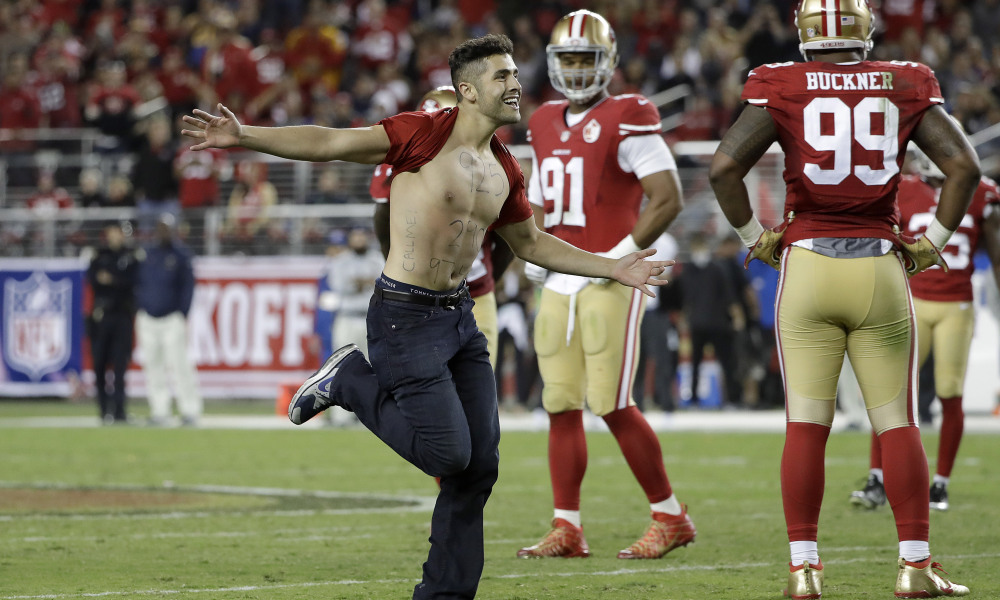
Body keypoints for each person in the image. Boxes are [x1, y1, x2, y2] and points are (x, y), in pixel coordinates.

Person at [182, 34, 671, 600]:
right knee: (448, 454)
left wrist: (613, 266)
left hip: (459, 318)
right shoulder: (421, 133)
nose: (516, 85)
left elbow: (532, 243)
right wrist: (246, 136)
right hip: (403, 317)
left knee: (478, 468)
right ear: (466, 91)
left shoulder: (505, 167)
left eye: (515, 75)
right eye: (501, 77)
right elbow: (329, 142)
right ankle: (347, 378)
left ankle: (444, 595)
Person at [708, 1, 980, 597]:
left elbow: (725, 168)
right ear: (866, 31)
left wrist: (757, 240)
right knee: (897, 422)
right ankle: (914, 566)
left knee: (806, 426)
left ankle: (804, 570)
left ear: (805, 35)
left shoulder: (779, 81)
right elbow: (964, 167)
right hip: (880, 267)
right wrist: (931, 244)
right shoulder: (902, 80)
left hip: (806, 266)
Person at [517, 10, 691, 561]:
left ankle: (670, 517)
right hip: (560, 278)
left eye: (584, 58)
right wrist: (532, 244)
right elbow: (541, 198)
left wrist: (617, 258)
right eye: (566, 58)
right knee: (560, 401)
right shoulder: (543, 119)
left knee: (610, 401)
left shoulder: (629, 111)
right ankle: (567, 526)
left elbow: (667, 197)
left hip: (610, 277)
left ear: (607, 62)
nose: (573, 68)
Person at [850, 150, 1000, 512]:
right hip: (911, 300)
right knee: (890, 390)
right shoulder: (904, 189)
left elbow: (996, 255)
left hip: (957, 305)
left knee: (950, 391)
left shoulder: (983, 193)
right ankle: (878, 478)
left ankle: (941, 484)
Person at [372, 86, 515, 368]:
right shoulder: (400, 161)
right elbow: (381, 218)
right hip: (419, 295)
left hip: (473, 292)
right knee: (419, 391)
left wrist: (488, 280)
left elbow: (512, 237)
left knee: (476, 393)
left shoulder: (492, 167)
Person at [135, 214, 202, 427]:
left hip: (172, 317)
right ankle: (159, 410)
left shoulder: (181, 255)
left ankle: (189, 409)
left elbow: (188, 287)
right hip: (148, 318)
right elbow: (137, 282)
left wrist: (182, 313)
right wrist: (140, 306)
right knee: (153, 366)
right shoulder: (146, 254)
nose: (163, 232)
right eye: (160, 228)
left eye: (166, 228)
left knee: (179, 365)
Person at [87, 222, 140, 425]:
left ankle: (119, 411)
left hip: (122, 316)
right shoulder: (98, 256)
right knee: (99, 364)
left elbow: (132, 282)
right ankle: (103, 410)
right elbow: (93, 279)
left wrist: (112, 280)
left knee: (120, 365)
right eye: (112, 232)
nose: (115, 236)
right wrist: (116, 281)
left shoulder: (130, 257)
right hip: (101, 317)